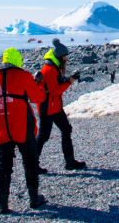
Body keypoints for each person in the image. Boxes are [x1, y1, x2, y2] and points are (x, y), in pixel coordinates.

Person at [0, 47, 47, 214]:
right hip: (22, 125)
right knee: (30, 161)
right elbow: (38, 97)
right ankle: (34, 198)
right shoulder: (23, 75)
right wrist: (39, 83)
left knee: (3, 163)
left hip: (1, 125)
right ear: (17, 60)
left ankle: (2, 204)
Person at [35, 38, 87, 173]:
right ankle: (31, 165)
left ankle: (70, 162)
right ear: (59, 56)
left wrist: (68, 78)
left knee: (66, 129)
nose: (66, 59)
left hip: (55, 106)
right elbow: (54, 90)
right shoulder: (50, 69)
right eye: (65, 56)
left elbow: (56, 83)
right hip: (48, 107)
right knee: (43, 136)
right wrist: (70, 81)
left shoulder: (53, 66)